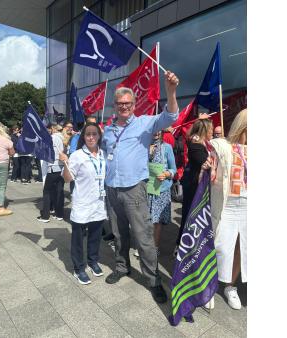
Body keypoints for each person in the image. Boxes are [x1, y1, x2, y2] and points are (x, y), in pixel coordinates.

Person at [102, 70, 180, 304]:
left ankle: (153, 279)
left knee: (144, 236)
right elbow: (106, 155)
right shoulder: (108, 130)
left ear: (134, 104)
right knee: (119, 233)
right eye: (119, 103)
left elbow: (171, 116)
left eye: (127, 103)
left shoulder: (145, 123)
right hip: (112, 189)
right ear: (114, 105)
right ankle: (122, 266)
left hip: (134, 189)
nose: (123, 106)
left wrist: (171, 90)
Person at [60, 122, 107, 285]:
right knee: (78, 239)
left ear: (99, 136)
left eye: (95, 134)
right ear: (83, 137)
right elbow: (67, 178)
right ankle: (79, 268)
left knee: (95, 236)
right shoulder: (78, 155)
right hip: (82, 203)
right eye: (88, 134)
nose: (92, 137)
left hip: (99, 203)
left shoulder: (103, 154)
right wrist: (65, 163)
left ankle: (93, 261)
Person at [209, 109, 247, 310]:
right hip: (228, 205)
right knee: (221, 246)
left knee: (243, 247)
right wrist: (209, 164)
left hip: (249, 206)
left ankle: (230, 286)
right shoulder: (226, 147)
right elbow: (212, 147)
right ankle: (210, 285)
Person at [176, 118, 213, 252]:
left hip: (198, 185)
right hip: (193, 186)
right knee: (189, 215)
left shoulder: (204, 143)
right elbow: (204, 162)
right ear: (205, 130)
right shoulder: (195, 144)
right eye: (210, 130)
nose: (212, 132)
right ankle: (181, 246)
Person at [147, 130, 177, 253]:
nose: (156, 132)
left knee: (157, 221)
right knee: (146, 220)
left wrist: (166, 174)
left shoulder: (167, 147)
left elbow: (173, 168)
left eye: (159, 129)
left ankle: (154, 247)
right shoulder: (143, 146)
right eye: (154, 129)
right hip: (146, 189)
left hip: (161, 189)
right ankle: (146, 245)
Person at [37, 123, 65, 222]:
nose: (48, 131)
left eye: (49, 129)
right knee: (59, 191)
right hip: (61, 167)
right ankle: (59, 214)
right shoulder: (62, 137)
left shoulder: (52, 137)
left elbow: (45, 151)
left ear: (53, 129)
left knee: (47, 191)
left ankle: (45, 216)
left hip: (53, 166)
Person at [0, 122, 15, 216]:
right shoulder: (6, 140)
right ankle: (0, 208)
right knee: (1, 186)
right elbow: (12, 153)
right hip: (2, 164)